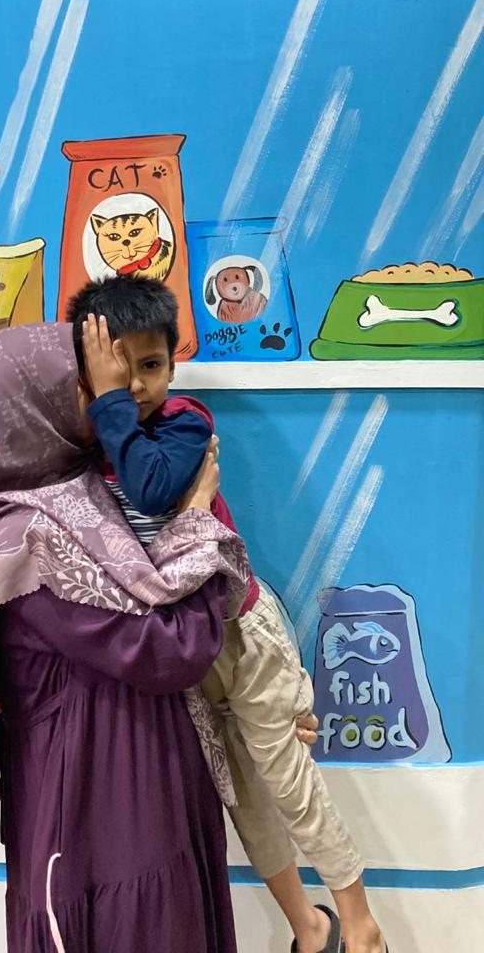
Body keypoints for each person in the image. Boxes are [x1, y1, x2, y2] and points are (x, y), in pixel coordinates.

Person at [64, 275, 388, 953]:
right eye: (120, 370)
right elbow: (33, 494)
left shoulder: (185, 423)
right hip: (183, 651)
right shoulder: (89, 449)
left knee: (289, 780)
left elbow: (154, 492)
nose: (139, 386)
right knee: (242, 797)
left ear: (172, 365)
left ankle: (360, 921)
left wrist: (112, 400)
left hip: (240, 631)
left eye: (151, 366)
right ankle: (308, 926)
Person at [0, 321, 249, 953]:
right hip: (102, 805)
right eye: (81, 389)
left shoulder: (67, 505)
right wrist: (196, 521)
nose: (113, 400)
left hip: (129, 783)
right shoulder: (31, 542)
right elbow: (170, 650)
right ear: (28, 415)